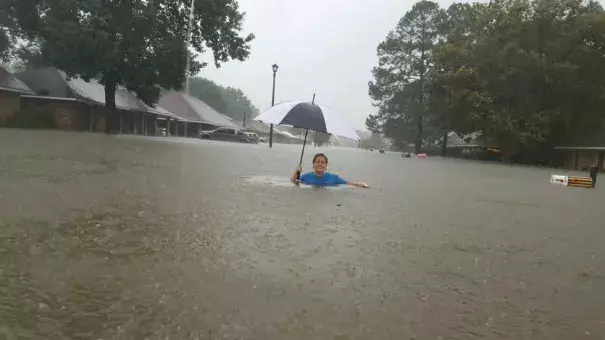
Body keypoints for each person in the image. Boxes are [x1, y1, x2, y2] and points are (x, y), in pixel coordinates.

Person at [290, 153, 369, 188]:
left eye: (323, 162)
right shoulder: (305, 177)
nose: (320, 164)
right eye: (317, 162)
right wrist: (296, 171)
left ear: (326, 166)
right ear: (313, 165)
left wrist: (359, 184)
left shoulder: (334, 178)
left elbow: (347, 183)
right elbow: (293, 181)